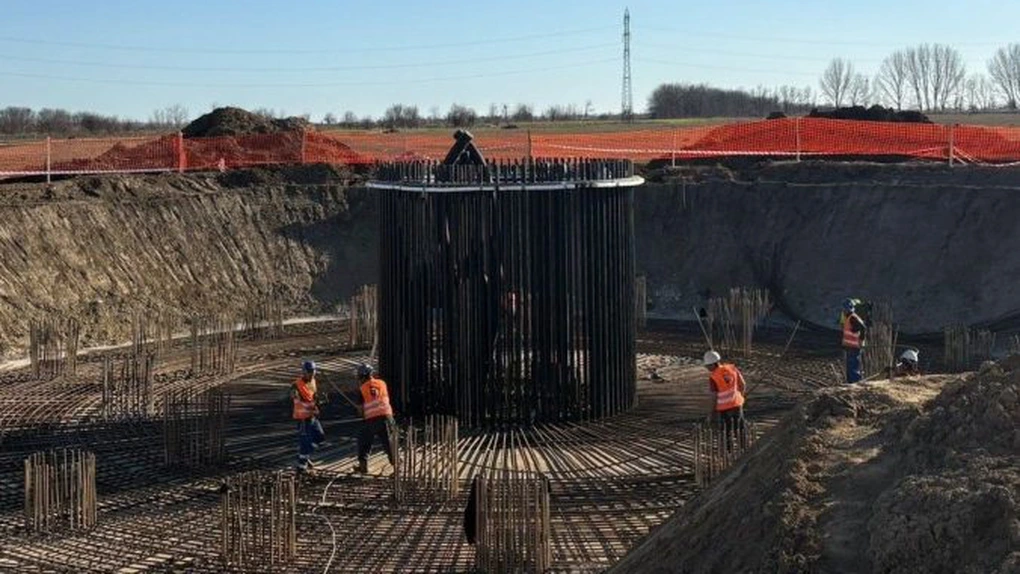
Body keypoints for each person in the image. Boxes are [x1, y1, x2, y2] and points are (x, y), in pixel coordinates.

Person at [354, 363, 396, 474]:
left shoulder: (362, 389)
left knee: (364, 441)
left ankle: (363, 466)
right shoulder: (382, 383)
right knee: (389, 443)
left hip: (371, 420)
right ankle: (397, 468)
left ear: (362, 376)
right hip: (387, 417)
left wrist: (362, 415)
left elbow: (360, 410)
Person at [703, 350, 747, 451]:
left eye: (708, 366)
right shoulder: (732, 368)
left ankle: (729, 453)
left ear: (713, 364)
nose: (707, 368)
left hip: (723, 409)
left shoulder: (713, 377)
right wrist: (741, 398)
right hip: (736, 405)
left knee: (726, 432)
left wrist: (711, 412)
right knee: (740, 429)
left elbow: (714, 396)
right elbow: (743, 385)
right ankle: (745, 450)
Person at [291, 360, 325, 471]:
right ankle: (301, 467)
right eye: (309, 373)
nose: (311, 375)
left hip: (312, 417)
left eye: (313, 373)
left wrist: (319, 401)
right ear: (304, 372)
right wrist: (311, 406)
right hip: (303, 419)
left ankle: (305, 456)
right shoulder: (296, 385)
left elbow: (313, 396)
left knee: (320, 437)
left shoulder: (313, 381)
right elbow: (296, 400)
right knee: (305, 443)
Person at [840, 298, 867, 383]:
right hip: (849, 346)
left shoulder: (853, 318)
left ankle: (855, 383)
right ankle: (850, 383)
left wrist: (861, 341)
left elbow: (863, 328)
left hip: (854, 346)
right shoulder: (848, 317)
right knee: (850, 367)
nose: (844, 311)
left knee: (853, 367)